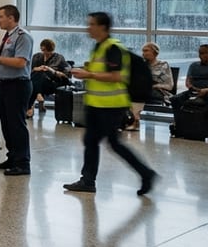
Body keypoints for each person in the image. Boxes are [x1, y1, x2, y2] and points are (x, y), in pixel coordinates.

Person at [62, 12, 159, 196]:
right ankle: (87, 180)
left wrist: (88, 74)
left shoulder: (113, 48)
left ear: (103, 27)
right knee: (91, 141)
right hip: (97, 104)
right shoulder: (99, 47)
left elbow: (116, 76)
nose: (88, 28)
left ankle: (146, 174)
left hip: (111, 105)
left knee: (113, 143)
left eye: (92, 24)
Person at [0, 5, 35, 176]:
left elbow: (20, 62)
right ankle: (13, 157)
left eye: (1, 16)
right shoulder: (8, 36)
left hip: (18, 85)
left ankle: (23, 163)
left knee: (17, 125)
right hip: (5, 84)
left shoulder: (23, 37)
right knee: (7, 124)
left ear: (11, 18)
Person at [126, 42, 175, 131]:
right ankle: (128, 120)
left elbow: (169, 85)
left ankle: (135, 121)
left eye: (146, 51)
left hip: (158, 91)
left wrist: (155, 85)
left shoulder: (163, 65)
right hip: (142, 90)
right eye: (142, 51)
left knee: (137, 94)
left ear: (155, 52)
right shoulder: (141, 65)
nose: (143, 53)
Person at [29, 39, 71, 118]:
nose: (45, 53)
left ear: (51, 50)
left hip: (52, 83)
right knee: (37, 75)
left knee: (39, 76)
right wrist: (37, 68)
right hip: (39, 82)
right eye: (43, 50)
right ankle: (38, 95)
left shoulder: (59, 58)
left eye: (47, 51)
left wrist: (51, 70)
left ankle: (31, 105)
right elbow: (30, 70)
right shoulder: (37, 56)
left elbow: (65, 75)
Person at [170, 44, 208, 112]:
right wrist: (193, 88)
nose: (201, 56)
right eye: (200, 53)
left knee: (192, 102)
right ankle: (178, 120)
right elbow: (188, 82)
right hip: (194, 91)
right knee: (175, 99)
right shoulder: (194, 65)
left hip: (206, 92)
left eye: (203, 53)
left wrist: (205, 90)